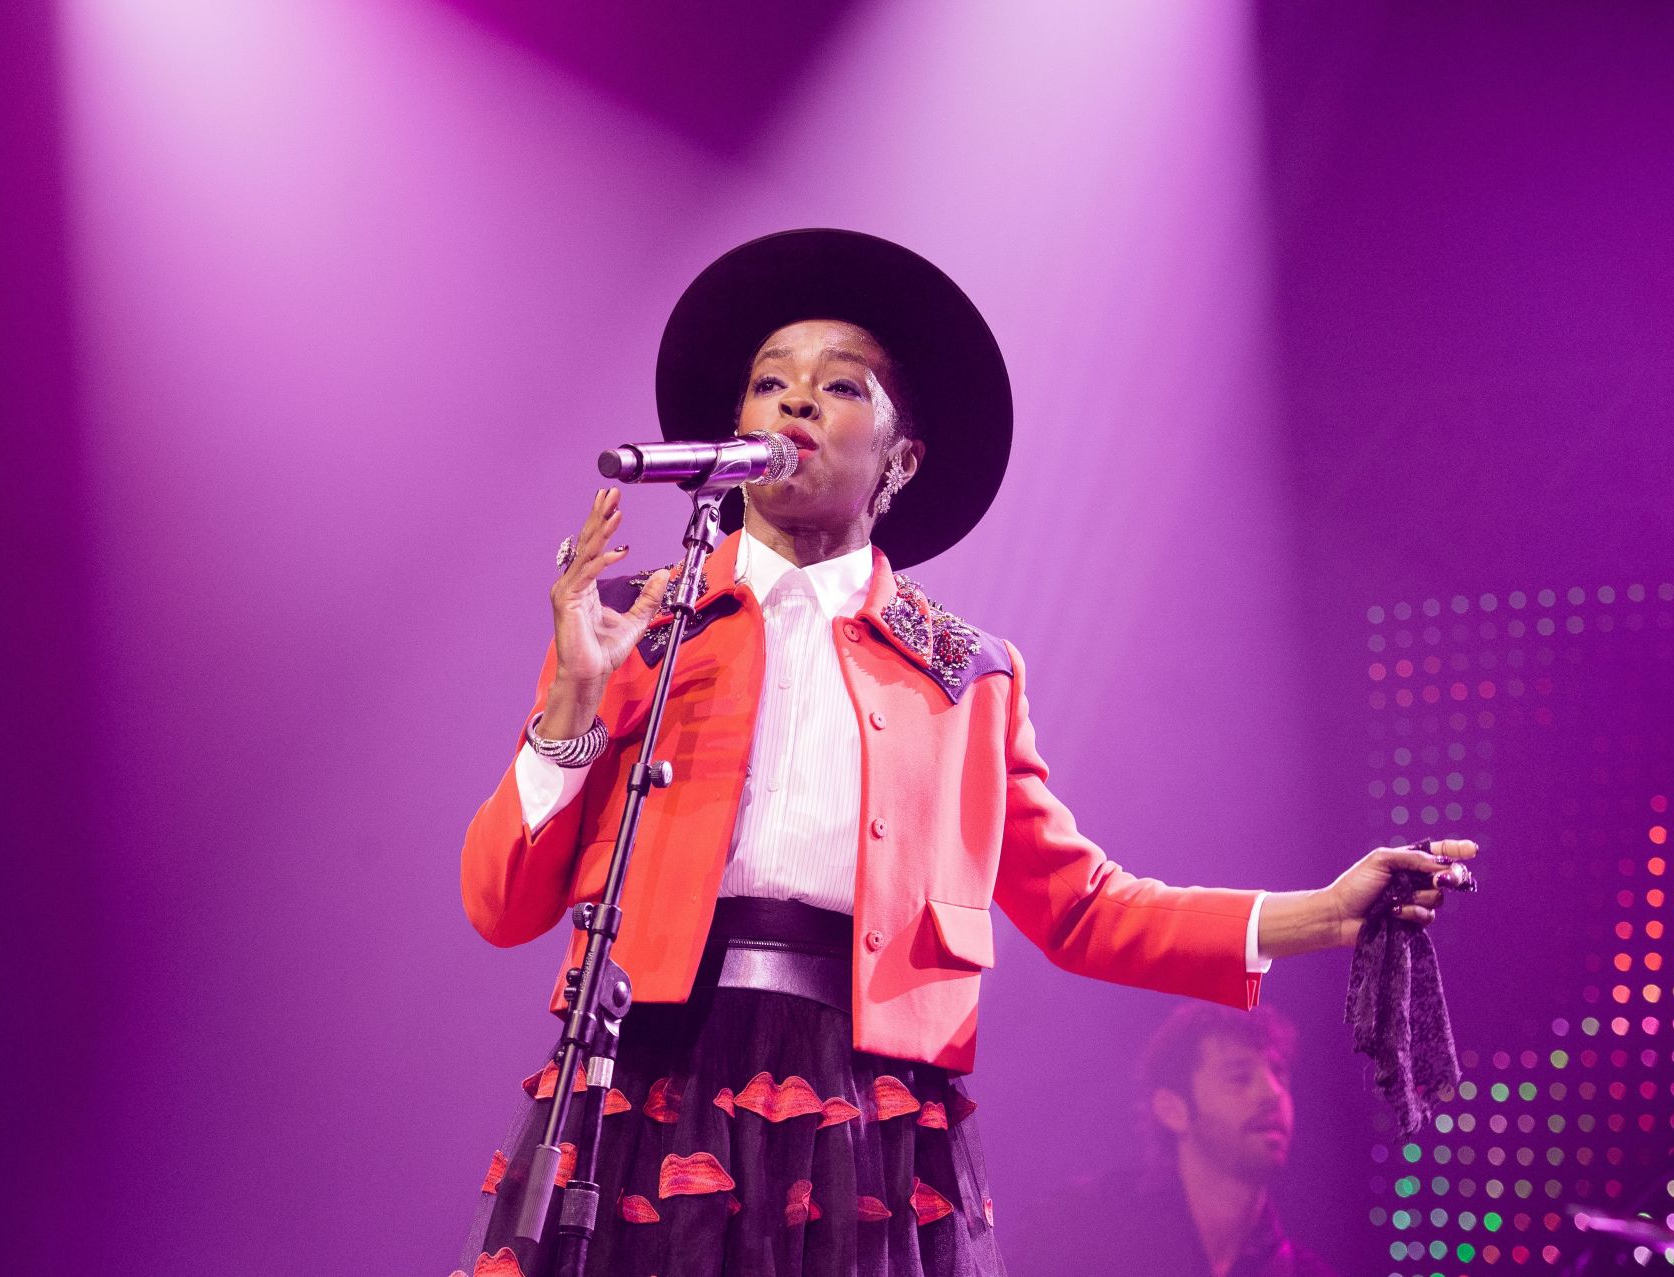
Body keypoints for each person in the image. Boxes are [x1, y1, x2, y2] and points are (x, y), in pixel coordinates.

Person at [451, 229, 1475, 1277]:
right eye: (768, 383)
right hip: (656, 1074)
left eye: (838, 386)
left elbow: (1083, 907)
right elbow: (502, 904)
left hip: (865, 1102)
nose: (793, 403)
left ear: (900, 459)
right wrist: (575, 701)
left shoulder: (966, 672)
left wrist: (1323, 913)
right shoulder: (637, 623)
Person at [1009, 1004, 1337, 1277]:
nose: (1272, 1093)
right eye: (1239, 1076)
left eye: (1279, 1075)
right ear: (1172, 1109)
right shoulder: (1076, 1229)